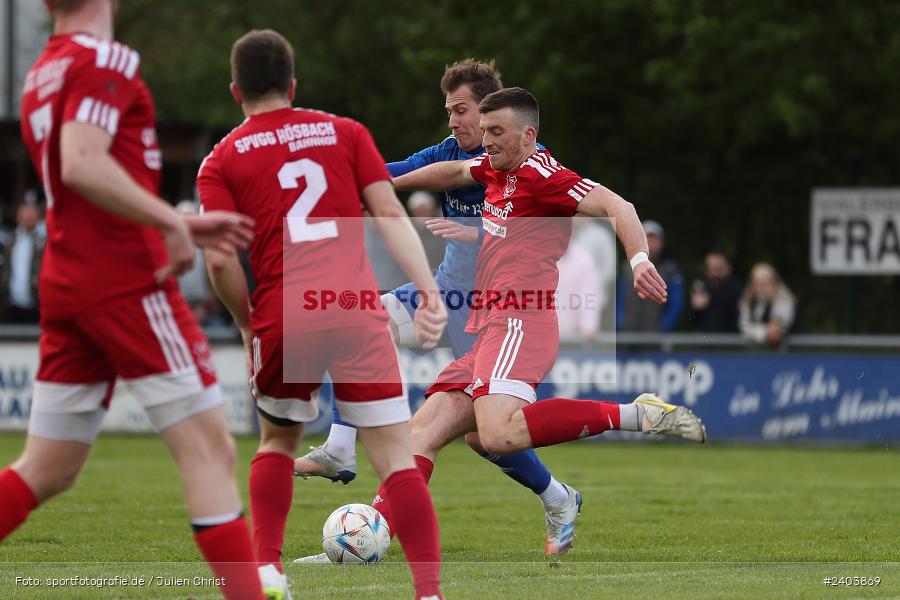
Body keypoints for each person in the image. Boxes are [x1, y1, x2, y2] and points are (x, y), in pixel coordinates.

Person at [4, 2, 263, 599]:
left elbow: (86, 180)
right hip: (122, 282)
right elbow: (83, 163)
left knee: (48, 468)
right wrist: (169, 224)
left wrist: (173, 222)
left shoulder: (43, 68)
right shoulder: (105, 57)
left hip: (69, 279)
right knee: (209, 449)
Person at [378, 87, 707, 557]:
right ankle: (371, 541)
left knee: (497, 433)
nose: (485, 142)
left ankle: (639, 414)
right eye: (485, 130)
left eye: (496, 132)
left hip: (522, 318)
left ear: (528, 135)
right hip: (489, 324)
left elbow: (621, 207)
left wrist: (638, 261)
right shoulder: (496, 168)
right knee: (428, 433)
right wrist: (388, 180)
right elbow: (452, 170)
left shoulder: (544, 176)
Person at [294, 59, 580, 559]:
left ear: (492, 112)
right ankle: (341, 446)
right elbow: (394, 173)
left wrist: (476, 233)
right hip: (444, 293)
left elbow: (551, 235)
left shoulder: (528, 161)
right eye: (448, 110)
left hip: (494, 313)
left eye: (460, 110)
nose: (452, 120)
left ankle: (559, 498)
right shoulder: (448, 154)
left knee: (486, 439)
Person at [197, 30, 446, 600]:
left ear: (237, 91)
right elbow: (387, 212)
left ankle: (266, 573)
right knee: (394, 457)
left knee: (277, 443)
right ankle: (428, 592)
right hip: (355, 308)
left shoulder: (223, 158)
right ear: (293, 84)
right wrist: (428, 293)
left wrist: (245, 322)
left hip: (285, 314)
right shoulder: (345, 133)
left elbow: (218, 259)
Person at [617, 220, 684, 332]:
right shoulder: (627, 269)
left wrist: (664, 326)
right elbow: (618, 299)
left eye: (655, 239)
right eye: (648, 238)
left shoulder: (671, 271)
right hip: (627, 333)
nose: (651, 243)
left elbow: (676, 304)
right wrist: (620, 322)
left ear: (662, 242)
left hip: (655, 335)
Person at [0, 195, 45, 324]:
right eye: (25, 210)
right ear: (18, 215)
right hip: (11, 306)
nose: (29, 215)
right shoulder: (10, 241)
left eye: (32, 210)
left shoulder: (43, 241)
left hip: (36, 306)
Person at [738, 262, 796, 347]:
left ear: (774, 282)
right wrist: (763, 332)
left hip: (787, 352)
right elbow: (744, 326)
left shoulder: (785, 300)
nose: (761, 287)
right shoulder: (748, 300)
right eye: (757, 283)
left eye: (765, 283)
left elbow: (778, 329)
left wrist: (758, 331)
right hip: (752, 352)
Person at [690, 251, 743, 332]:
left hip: (730, 341)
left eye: (718, 268)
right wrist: (696, 308)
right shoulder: (701, 288)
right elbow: (692, 320)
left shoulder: (737, 289)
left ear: (728, 268)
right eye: (710, 269)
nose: (714, 273)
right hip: (704, 341)